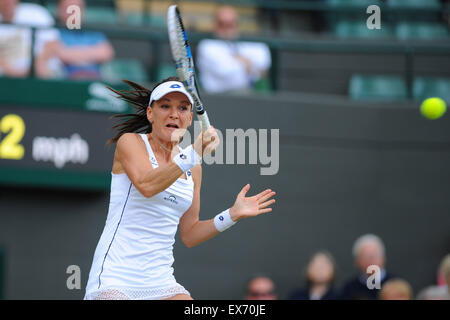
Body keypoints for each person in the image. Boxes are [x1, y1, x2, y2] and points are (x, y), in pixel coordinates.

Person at [83, 77, 276, 300]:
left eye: (182, 108)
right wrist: (194, 152)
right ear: (150, 114)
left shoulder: (194, 167)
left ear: (190, 118)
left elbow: (190, 234)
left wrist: (231, 215)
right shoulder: (131, 142)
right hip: (114, 278)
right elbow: (147, 185)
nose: (174, 114)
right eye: (165, 106)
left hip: (160, 281)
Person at [197, 5, 271, 94]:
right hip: (217, 98)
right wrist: (247, 64)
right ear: (215, 24)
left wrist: (235, 60)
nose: (227, 28)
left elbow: (263, 62)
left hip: (248, 96)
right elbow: (224, 70)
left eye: (230, 24)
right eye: (222, 24)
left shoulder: (245, 44)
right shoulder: (207, 45)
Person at [38, 0, 115, 80]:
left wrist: (71, 54)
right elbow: (61, 54)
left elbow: (106, 53)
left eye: (78, 8)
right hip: (64, 82)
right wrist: (91, 54)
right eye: (69, 8)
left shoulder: (92, 31)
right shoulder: (51, 31)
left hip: (94, 80)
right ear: (59, 9)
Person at [0, 0, 59, 77]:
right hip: (7, 76)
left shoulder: (36, 12)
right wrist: (10, 71)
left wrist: (37, 64)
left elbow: (52, 43)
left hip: (43, 71)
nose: (7, 2)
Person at [339, 234, 394, 300]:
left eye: (374, 256)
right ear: (357, 261)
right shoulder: (349, 288)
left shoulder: (395, 284)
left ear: (383, 258)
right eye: (365, 257)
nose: (370, 260)